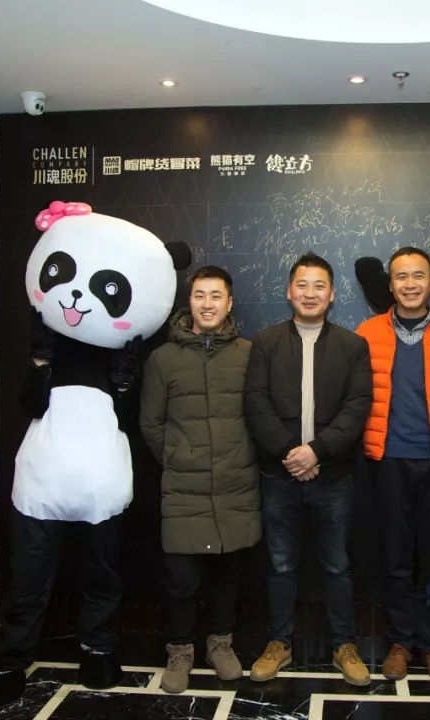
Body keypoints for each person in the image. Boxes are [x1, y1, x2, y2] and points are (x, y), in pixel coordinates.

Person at [244, 253, 374, 687]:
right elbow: (256, 404)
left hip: (334, 477)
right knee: (281, 565)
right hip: (279, 476)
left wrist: (316, 452)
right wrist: (291, 454)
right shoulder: (265, 343)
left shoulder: (353, 346)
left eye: (319, 286)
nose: (310, 293)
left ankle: (344, 646)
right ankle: (278, 643)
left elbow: (357, 407)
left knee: (337, 566)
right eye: (302, 284)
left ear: (332, 294)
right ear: (289, 291)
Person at [355, 246, 430, 682]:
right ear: (390, 285)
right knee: (395, 557)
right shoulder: (368, 333)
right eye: (401, 277)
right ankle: (401, 643)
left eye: (418, 276)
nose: (410, 284)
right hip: (386, 461)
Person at [140, 266, 261, 694]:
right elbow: (151, 423)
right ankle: (180, 652)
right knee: (182, 579)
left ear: (229, 303)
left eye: (216, 296)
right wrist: (178, 458)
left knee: (229, 573)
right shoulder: (163, 359)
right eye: (199, 295)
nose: (207, 304)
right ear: (188, 302)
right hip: (183, 488)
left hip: (236, 483)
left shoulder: (249, 354)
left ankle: (220, 646)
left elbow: (260, 415)